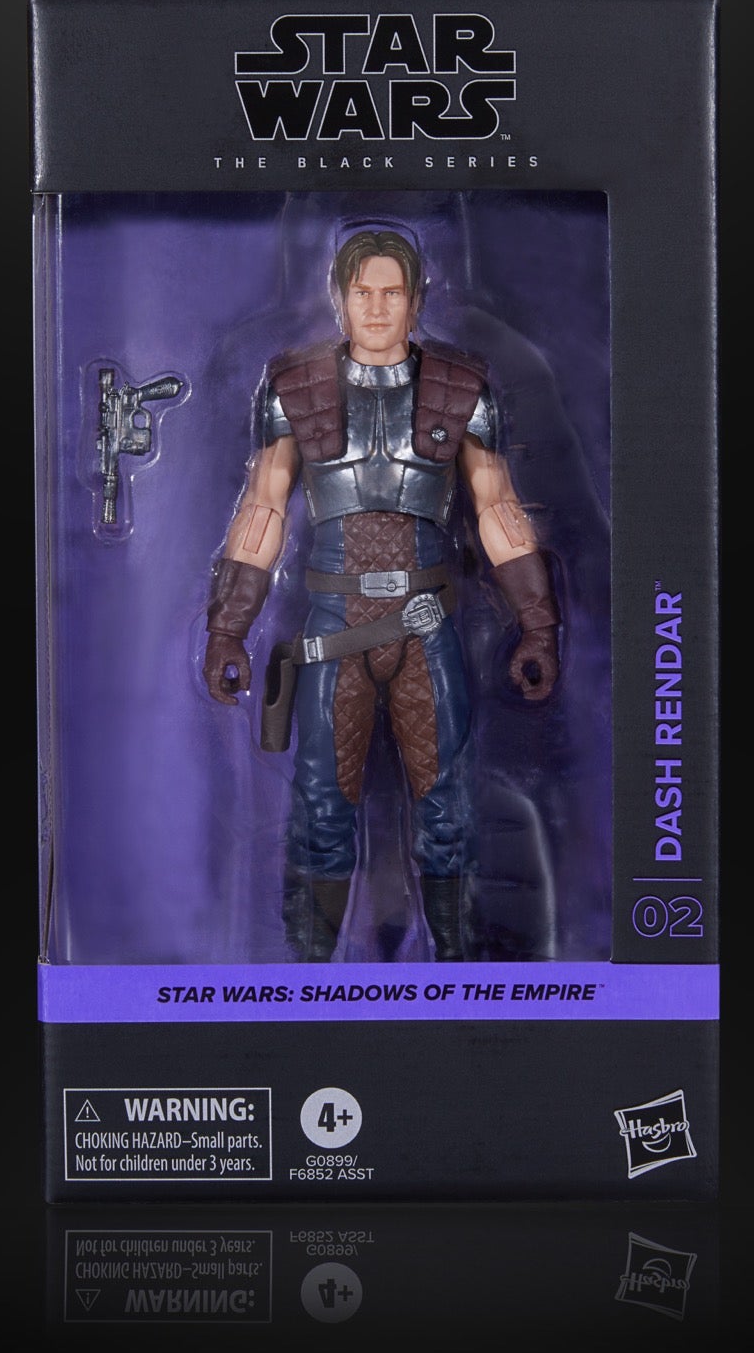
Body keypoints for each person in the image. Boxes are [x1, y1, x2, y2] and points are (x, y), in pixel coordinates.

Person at [203, 226, 559, 961]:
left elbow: (497, 509)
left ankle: (456, 979)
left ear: (415, 299)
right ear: (339, 297)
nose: (375, 307)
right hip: (335, 625)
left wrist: (537, 624)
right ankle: (309, 981)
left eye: (390, 293)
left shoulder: (459, 388)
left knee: (448, 808)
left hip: (427, 624)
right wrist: (228, 628)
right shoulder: (296, 387)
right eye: (362, 292)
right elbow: (263, 509)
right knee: (319, 809)